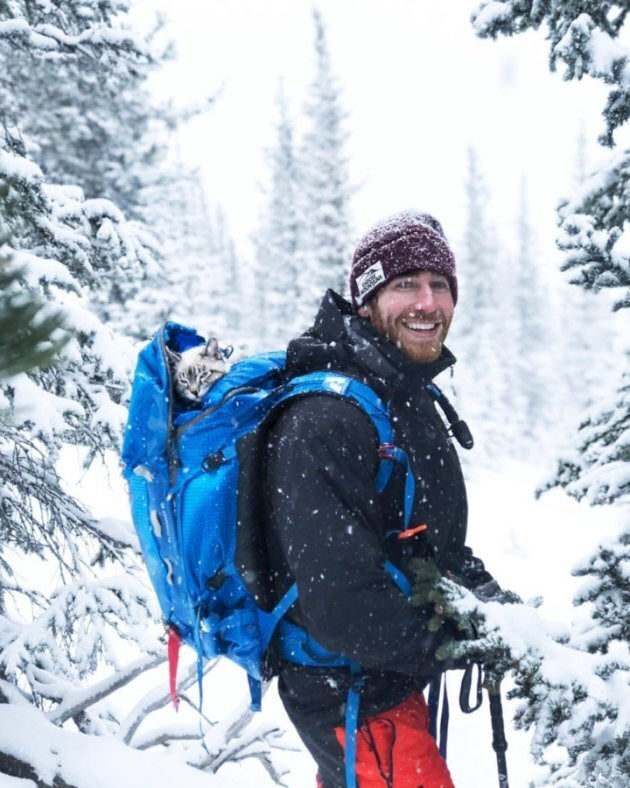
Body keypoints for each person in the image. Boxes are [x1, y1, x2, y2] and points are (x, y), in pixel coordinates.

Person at [264, 210, 495, 788]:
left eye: (439, 285)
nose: (427, 302)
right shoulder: (326, 418)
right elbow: (340, 600)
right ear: (365, 301)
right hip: (347, 689)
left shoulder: (400, 394)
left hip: (382, 682)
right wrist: (443, 642)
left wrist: (485, 597)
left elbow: (421, 539)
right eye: (404, 284)